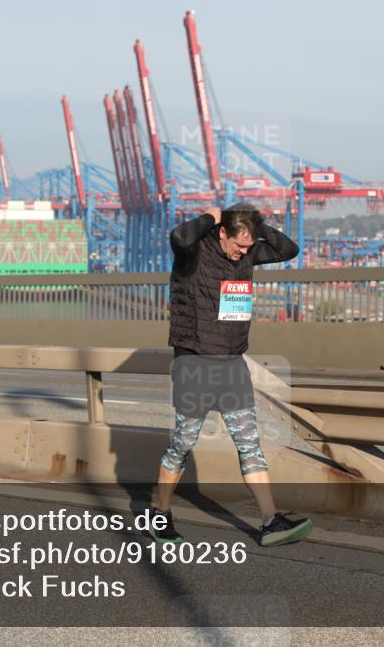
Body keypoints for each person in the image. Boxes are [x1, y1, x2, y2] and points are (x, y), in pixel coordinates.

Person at [149, 203, 313, 547]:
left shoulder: (247, 253)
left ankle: (270, 521)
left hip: (231, 363)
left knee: (249, 443)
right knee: (183, 442)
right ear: (222, 232)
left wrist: (257, 227)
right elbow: (178, 235)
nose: (244, 253)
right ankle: (159, 513)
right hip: (194, 361)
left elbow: (289, 250)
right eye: (239, 244)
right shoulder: (192, 252)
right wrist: (212, 215)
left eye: (249, 247)